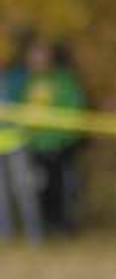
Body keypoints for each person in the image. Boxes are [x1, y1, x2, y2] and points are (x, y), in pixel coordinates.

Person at [22, 39, 88, 236]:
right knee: (42, 189)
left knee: (65, 188)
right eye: (34, 58)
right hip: (36, 146)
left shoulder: (64, 81)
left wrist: (64, 137)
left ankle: (66, 227)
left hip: (61, 145)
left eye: (41, 57)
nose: (38, 61)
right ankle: (48, 225)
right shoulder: (28, 82)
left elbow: (75, 107)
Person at [0, 33, 43, 244]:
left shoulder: (18, 77)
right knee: (1, 195)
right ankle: (4, 236)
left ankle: (34, 236)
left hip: (17, 142)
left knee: (25, 190)